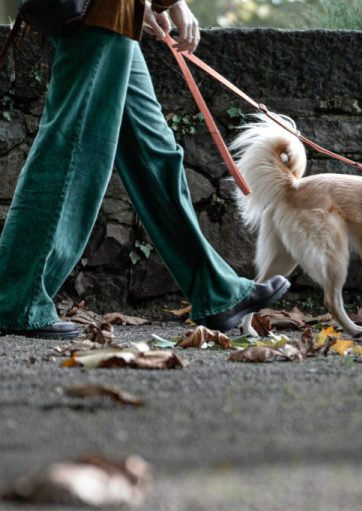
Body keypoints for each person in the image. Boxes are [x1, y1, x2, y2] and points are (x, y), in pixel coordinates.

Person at [0, 0, 289, 340]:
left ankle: (217, 293)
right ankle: (16, 300)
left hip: (117, 15)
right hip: (97, 15)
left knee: (157, 158)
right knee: (69, 154)